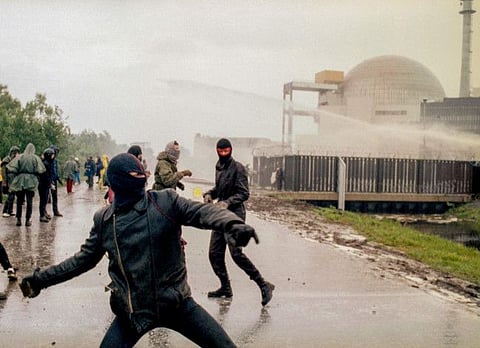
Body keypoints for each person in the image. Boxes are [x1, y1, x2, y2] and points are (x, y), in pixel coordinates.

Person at [19, 153, 260, 347]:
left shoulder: (165, 202)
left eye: (141, 174)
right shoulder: (105, 221)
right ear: (116, 182)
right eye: (134, 175)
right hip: (132, 314)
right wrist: (41, 279)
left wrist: (232, 223)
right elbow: (81, 261)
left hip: (177, 304)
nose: (141, 179)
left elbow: (203, 212)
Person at [203, 138, 274, 306]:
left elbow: (244, 193)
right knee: (214, 253)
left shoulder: (238, 168)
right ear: (217, 150)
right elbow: (219, 189)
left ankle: (263, 285)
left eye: (226, 150)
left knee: (236, 253)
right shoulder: (218, 167)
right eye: (220, 151)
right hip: (220, 215)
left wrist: (227, 202)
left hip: (235, 215)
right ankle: (225, 287)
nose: (223, 153)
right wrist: (209, 194)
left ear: (231, 150)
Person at [7, 143, 46, 226]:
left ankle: (18, 219)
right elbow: (40, 170)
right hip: (31, 181)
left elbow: (12, 168)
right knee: (29, 202)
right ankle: (28, 220)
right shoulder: (35, 158)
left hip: (20, 181)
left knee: (19, 201)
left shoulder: (20, 157)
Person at [1, 146, 20, 218]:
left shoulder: (15, 160)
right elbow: (3, 172)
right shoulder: (6, 160)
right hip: (9, 178)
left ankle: (10, 210)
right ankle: (5, 211)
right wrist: (4, 181)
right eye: (16, 152)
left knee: (12, 195)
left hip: (14, 178)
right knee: (10, 195)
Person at [38, 148, 56, 223]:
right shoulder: (45, 164)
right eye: (52, 155)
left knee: (45, 200)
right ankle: (42, 215)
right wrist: (50, 184)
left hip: (45, 184)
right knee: (43, 200)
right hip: (43, 184)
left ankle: (44, 213)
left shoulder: (48, 163)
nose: (53, 156)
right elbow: (46, 176)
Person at [48, 145, 63, 217]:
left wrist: (58, 178)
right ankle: (44, 213)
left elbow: (55, 171)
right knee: (46, 197)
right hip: (48, 180)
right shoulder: (47, 160)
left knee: (54, 196)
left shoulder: (55, 161)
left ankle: (55, 211)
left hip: (53, 180)